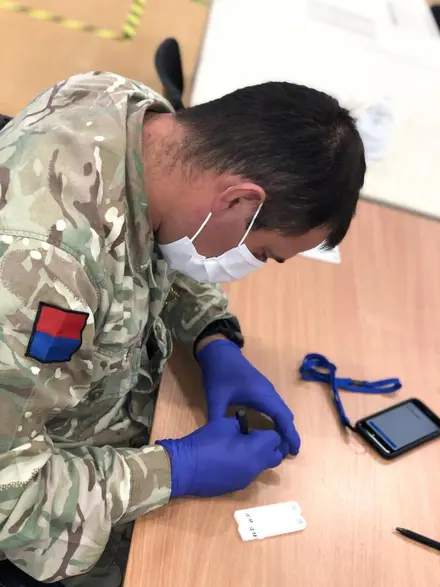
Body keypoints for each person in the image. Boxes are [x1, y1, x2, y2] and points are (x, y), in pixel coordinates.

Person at [0, 72, 365, 585]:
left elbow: (146, 239)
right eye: (261, 253)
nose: (253, 265)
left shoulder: (136, 117)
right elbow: (10, 499)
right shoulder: (41, 274)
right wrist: (176, 470)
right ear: (238, 201)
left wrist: (213, 335)